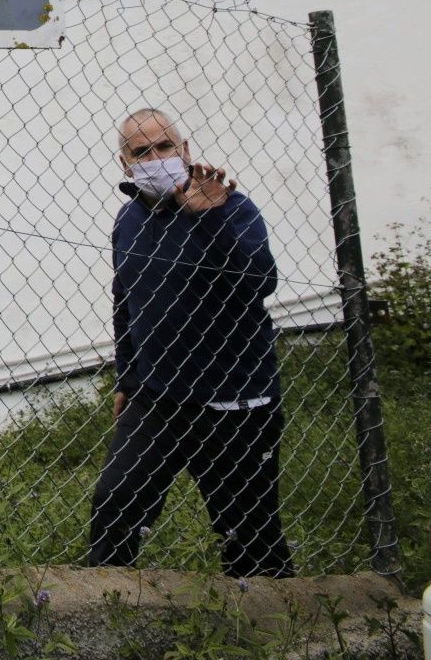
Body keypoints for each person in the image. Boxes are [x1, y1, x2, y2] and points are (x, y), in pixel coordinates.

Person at [88, 108, 295, 578]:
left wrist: (209, 220)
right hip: (159, 397)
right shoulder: (129, 220)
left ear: (184, 151)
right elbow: (126, 303)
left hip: (234, 399)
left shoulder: (232, 208)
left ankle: (274, 625)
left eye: (165, 147)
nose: (155, 157)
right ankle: (109, 605)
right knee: (115, 502)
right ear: (125, 163)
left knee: (249, 530)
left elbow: (259, 282)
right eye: (142, 152)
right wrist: (128, 376)